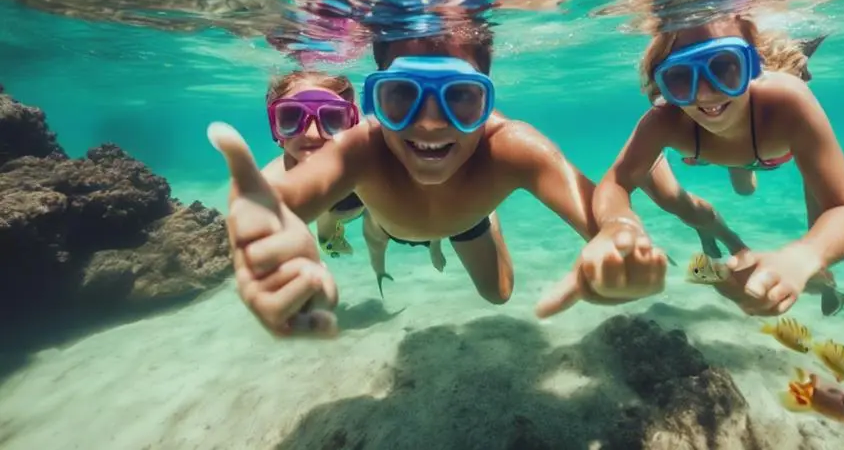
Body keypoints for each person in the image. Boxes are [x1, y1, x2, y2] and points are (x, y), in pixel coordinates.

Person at [209, 24, 668, 337]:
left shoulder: (511, 146)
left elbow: (599, 210)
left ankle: (487, 219)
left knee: (498, 295)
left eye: (461, 98)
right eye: (402, 96)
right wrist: (258, 238)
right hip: (392, 221)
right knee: (377, 237)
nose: (429, 124)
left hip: (465, 217)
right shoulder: (362, 146)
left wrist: (621, 234)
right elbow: (282, 200)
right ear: (377, 99)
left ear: (487, 100)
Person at [585, 14, 844, 317]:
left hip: (769, 152)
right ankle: (734, 201)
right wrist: (618, 224)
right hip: (724, 148)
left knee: (811, 250)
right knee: (678, 200)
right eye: (681, 77)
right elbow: (616, 182)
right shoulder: (664, 120)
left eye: (724, 67)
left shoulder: (788, 101)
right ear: (663, 82)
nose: (705, 94)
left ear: (753, 65)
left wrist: (802, 257)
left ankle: (742, 168)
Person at [260, 70, 448, 297]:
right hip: (335, 210)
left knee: (376, 233)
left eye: (332, 119)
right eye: (291, 117)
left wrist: (436, 241)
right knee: (327, 232)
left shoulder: (372, 154)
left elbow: (431, 195)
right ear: (274, 126)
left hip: (367, 200)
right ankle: (344, 243)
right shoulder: (272, 184)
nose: (311, 134)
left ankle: (384, 268)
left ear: (351, 125)